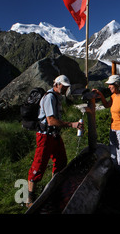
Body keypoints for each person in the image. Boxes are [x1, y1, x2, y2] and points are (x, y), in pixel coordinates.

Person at [26, 75, 83, 208]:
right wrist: (71, 124)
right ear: (57, 84)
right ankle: (29, 198)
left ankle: (53, 188)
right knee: (39, 165)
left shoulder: (57, 97)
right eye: (64, 86)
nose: (66, 89)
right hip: (45, 136)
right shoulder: (50, 97)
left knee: (61, 161)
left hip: (54, 135)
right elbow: (51, 120)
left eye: (67, 87)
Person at [93, 75, 120, 182]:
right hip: (113, 129)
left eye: (111, 84)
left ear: (117, 85)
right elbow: (106, 105)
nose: (109, 86)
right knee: (113, 154)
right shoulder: (113, 96)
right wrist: (101, 95)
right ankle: (116, 177)